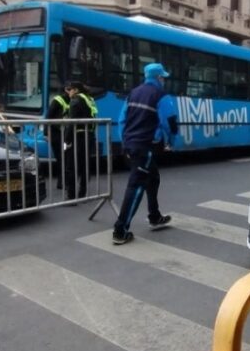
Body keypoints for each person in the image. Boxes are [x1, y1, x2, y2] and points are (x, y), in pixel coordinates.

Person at [112, 63, 179, 245]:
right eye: (163, 77)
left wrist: (125, 141)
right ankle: (120, 230)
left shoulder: (133, 93)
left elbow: (121, 120)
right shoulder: (161, 95)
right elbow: (170, 122)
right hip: (145, 146)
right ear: (158, 78)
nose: (164, 80)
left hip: (131, 145)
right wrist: (171, 142)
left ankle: (154, 216)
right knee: (136, 186)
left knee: (153, 177)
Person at [63, 81, 97, 202]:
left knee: (71, 166)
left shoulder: (76, 100)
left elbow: (71, 122)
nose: (68, 92)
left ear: (76, 90)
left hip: (78, 136)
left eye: (70, 89)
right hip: (89, 135)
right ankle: (83, 193)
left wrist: (66, 140)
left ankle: (71, 196)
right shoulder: (89, 98)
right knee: (84, 165)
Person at [47, 88, 70, 189]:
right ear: (66, 90)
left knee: (64, 158)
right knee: (62, 158)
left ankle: (61, 182)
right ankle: (62, 182)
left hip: (63, 135)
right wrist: (45, 133)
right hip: (56, 135)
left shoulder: (70, 100)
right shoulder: (57, 100)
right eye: (72, 90)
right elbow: (48, 117)